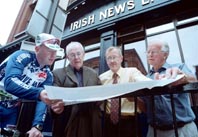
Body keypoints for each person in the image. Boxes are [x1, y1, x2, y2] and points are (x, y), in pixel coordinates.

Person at [0, 33, 61, 137]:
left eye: (55, 51)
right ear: (37, 49)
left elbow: (43, 100)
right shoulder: (21, 56)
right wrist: (39, 92)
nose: (53, 55)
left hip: (12, 109)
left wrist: (37, 126)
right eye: (49, 50)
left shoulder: (48, 75)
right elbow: (10, 82)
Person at [144, 40, 198, 137]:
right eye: (148, 52)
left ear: (165, 55)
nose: (150, 54)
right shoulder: (145, 78)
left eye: (154, 51)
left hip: (182, 130)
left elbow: (194, 80)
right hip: (154, 131)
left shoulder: (178, 67)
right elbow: (144, 106)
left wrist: (182, 77)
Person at [51, 41, 102, 137]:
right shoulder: (57, 74)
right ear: (67, 57)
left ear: (83, 55)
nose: (76, 57)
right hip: (69, 121)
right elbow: (54, 99)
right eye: (72, 55)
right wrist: (54, 107)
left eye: (79, 53)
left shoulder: (93, 73)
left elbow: (100, 94)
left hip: (91, 121)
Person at [99, 46, 151, 137]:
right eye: (109, 58)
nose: (112, 61)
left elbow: (143, 81)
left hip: (129, 122)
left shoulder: (132, 72)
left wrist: (159, 81)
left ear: (121, 58)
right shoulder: (102, 78)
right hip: (108, 122)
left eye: (114, 57)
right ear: (106, 61)